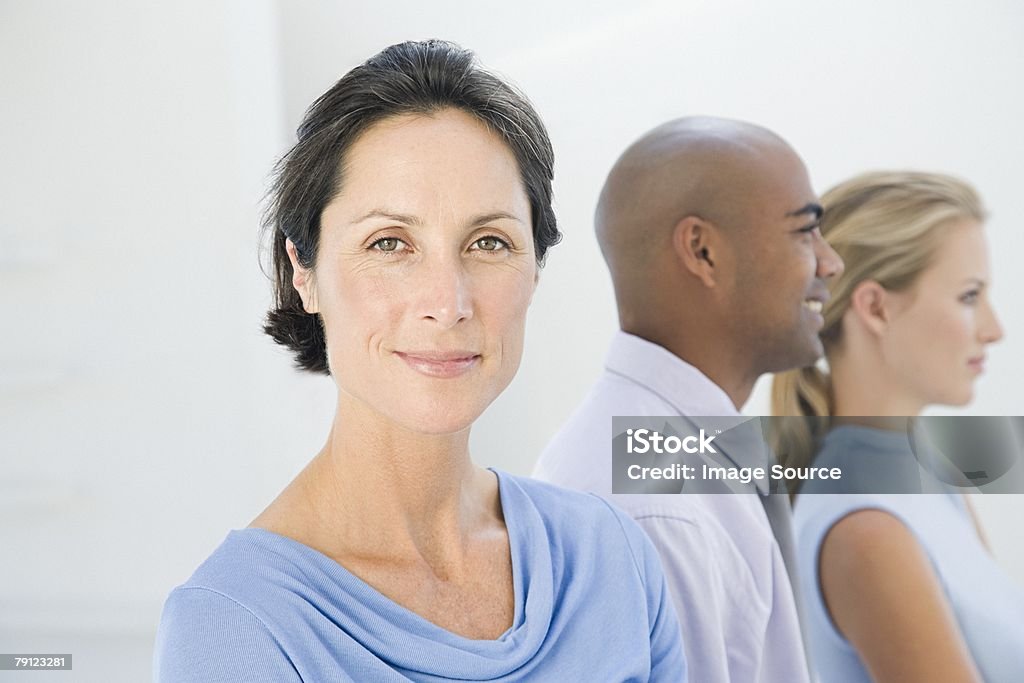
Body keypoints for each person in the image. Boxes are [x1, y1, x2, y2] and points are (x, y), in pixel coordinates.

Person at [153, 40, 686, 682]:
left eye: (489, 242)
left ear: (535, 270)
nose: (448, 302)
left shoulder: (611, 554)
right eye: (390, 243)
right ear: (304, 271)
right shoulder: (233, 628)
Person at [533, 116, 844, 683]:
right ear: (702, 251)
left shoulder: (675, 461)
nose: (831, 263)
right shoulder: (658, 512)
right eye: (805, 232)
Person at [771, 171, 1024, 682]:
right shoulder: (867, 532)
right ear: (876, 308)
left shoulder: (929, 473)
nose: (994, 330)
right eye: (970, 296)